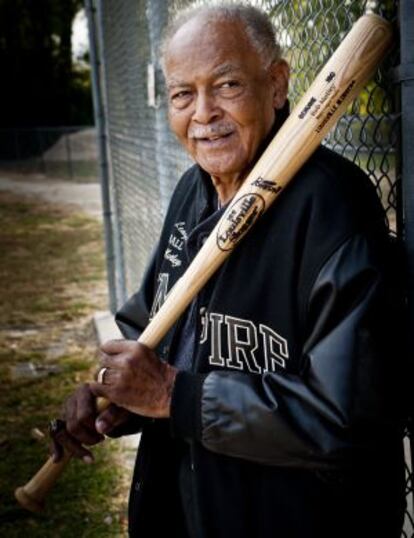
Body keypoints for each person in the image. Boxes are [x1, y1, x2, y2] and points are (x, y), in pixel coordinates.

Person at [50, 4, 407, 537]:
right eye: (182, 94)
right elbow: (152, 328)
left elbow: (346, 416)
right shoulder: (191, 192)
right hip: (185, 505)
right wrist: (114, 389)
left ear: (278, 84)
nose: (203, 113)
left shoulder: (333, 208)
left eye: (227, 85)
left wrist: (177, 396)